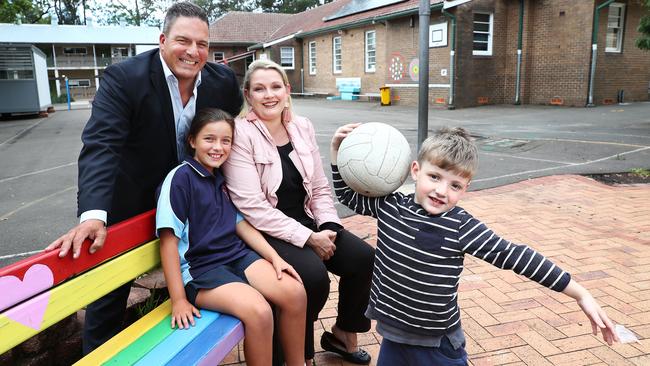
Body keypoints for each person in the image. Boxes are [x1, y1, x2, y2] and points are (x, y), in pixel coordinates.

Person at [45, 2, 243, 354]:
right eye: (183, 40)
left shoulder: (223, 81)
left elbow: (235, 131)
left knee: (197, 287)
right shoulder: (125, 77)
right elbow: (101, 144)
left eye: (202, 44)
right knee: (107, 303)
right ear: (163, 40)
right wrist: (93, 214)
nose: (193, 52)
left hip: (194, 210)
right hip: (132, 204)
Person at [330, 126, 619, 366]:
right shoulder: (391, 207)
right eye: (435, 177)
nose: (442, 191)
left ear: (465, 188)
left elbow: (513, 255)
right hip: (393, 339)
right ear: (416, 170)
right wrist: (337, 152)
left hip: (437, 346)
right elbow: (347, 195)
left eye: (455, 185)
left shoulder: (460, 226)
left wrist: (578, 292)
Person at [221, 59, 375, 365]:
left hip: (310, 222)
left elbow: (318, 188)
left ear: (287, 90)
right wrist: (308, 238)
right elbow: (252, 206)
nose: (269, 95)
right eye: (260, 89)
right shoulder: (240, 134)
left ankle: (343, 335)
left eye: (276, 86)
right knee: (313, 278)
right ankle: (294, 355)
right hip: (266, 231)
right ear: (248, 95)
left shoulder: (302, 127)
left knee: (363, 259)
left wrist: (329, 226)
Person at [156, 108, 306, 366]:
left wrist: (274, 257)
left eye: (226, 141)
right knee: (259, 311)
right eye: (209, 139)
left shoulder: (220, 178)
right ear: (192, 141)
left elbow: (240, 225)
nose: (218, 147)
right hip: (201, 271)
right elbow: (168, 243)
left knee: (294, 293)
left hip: (235, 256)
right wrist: (178, 299)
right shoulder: (180, 179)